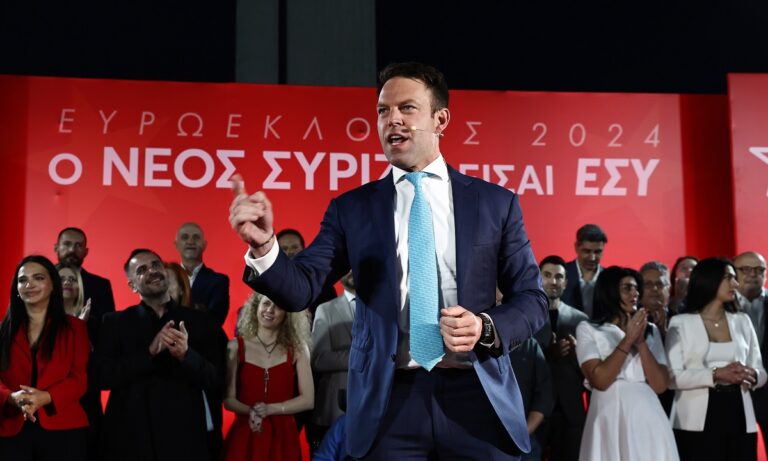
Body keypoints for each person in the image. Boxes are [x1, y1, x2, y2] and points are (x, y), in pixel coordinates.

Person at [229, 61, 547, 459]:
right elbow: (302, 288)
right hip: (389, 403)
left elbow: (532, 300)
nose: (392, 119)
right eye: (383, 111)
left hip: (477, 396)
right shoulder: (352, 209)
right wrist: (264, 247)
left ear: (440, 119)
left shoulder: (494, 204)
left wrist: (485, 327)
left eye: (407, 108)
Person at [96, 249, 225, 461]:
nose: (152, 271)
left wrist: (186, 355)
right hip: (130, 439)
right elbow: (103, 377)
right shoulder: (114, 323)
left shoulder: (200, 321)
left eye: (156, 265)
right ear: (132, 285)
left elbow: (215, 379)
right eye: (142, 269)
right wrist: (149, 352)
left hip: (183, 439)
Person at [666, 258, 766, 461]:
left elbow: (761, 371)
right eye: (729, 278)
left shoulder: (742, 321)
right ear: (709, 280)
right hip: (695, 419)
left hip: (739, 411)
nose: (735, 284)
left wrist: (752, 375)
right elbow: (671, 377)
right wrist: (716, 374)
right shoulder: (680, 323)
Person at [576, 266, 677, 461]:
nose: (635, 293)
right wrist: (628, 339)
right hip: (608, 414)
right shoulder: (589, 329)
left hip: (648, 415)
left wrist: (641, 342)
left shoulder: (650, 330)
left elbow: (660, 385)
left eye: (636, 288)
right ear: (609, 292)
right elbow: (600, 380)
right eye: (627, 288)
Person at [0, 255, 90, 460]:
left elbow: (79, 379)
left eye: (38, 278)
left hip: (63, 428)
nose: (29, 284)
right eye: (22, 280)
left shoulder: (76, 328)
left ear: (53, 285)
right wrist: (11, 397)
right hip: (10, 429)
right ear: (16, 288)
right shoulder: (3, 331)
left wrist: (46, 397)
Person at [221, 292, 313, 461]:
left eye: (278, 307)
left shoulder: (298, 349)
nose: (270, 310)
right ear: (256, 307)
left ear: (287, 315)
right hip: (246, 433)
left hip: (284, 438)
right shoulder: (235, 347)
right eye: (266, 303)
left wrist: (271, 409)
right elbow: (228, 400)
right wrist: (252, 412)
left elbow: (308, 400)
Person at [535, 255, 588, 461]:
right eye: (547, 275)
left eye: (559, 277)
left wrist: (577, 354)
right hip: (533, 408)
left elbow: (590, 368)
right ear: (538, 278)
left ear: (566, 282)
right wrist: (548, 354)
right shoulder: (526, 318)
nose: (553, 281)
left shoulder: (581, 320)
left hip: (570, 410)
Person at [310, 271, 355, 450]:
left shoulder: (382, 309)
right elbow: (319, 359)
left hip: (377, 407)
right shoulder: (325, 309)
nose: (351, 271)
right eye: (346, 267)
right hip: (334, 409)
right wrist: (364, 357)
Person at [733, 251, 768, 460]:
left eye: (759, 270)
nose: (753, 274)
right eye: (746, 269)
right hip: (737, 390)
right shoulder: (720, 305)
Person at [53, 227, 115, 341]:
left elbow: (108, 328)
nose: (72, 250)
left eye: (78, 245)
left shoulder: (101, 285)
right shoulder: (41, 281)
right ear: (56, 247)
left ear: (86, 252)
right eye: (67, 244)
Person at [175, 222, 230, 326]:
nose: (190, 241)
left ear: (204, 245)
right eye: (185, 237)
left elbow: (214, 320)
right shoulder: (166, 278)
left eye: (196, 237)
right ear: (176, 244)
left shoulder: (219, 281)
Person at [562, 224, 607, 318]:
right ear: (576, 247)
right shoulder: (560, 275)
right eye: (587, 251)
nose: (592, 258)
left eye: (597, 252)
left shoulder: (610, 279)